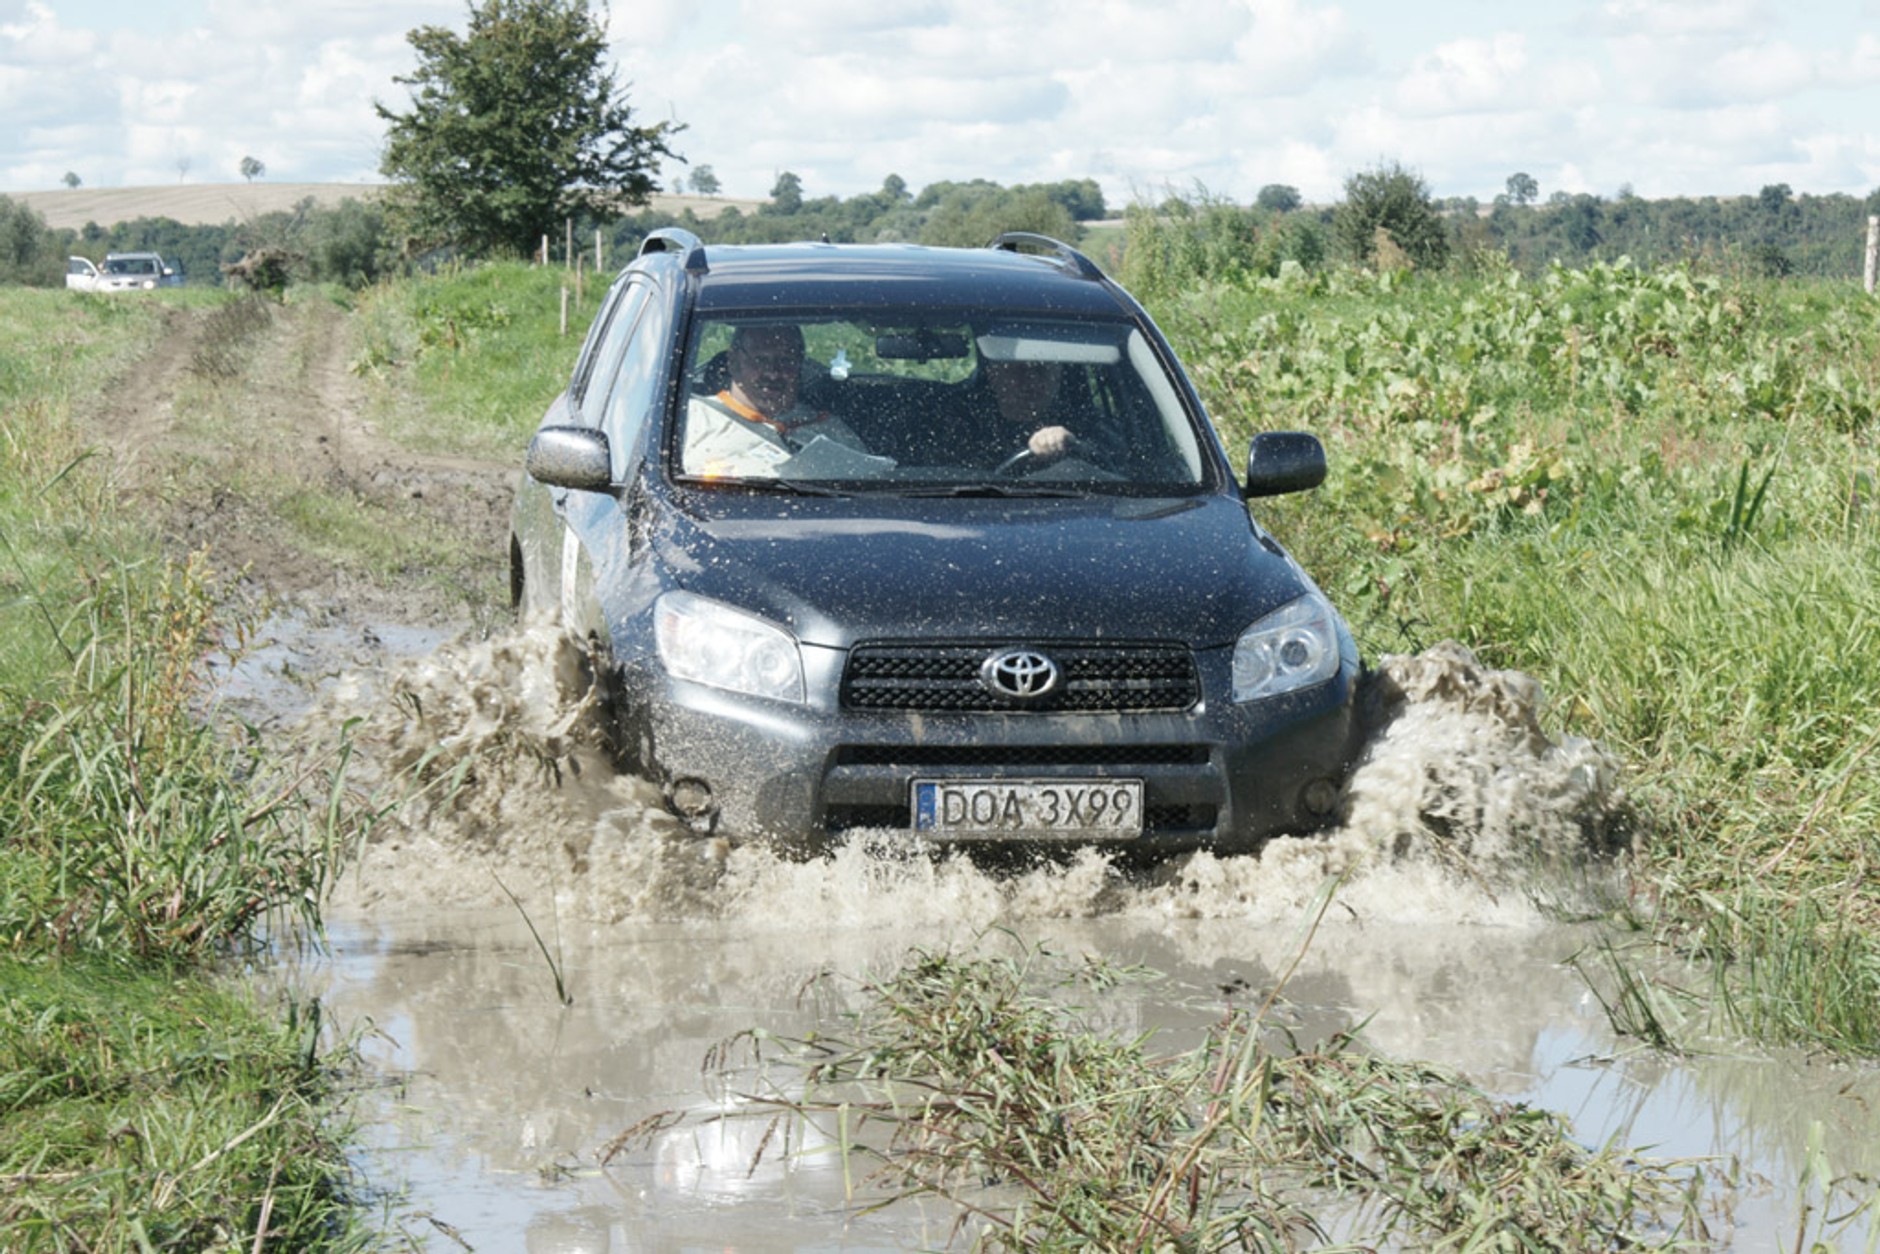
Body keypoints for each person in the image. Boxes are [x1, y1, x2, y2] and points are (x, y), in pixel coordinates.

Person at [682, 325, 870, 477]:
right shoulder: (692, 421)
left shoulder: (830, 430)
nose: (773, 373)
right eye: (761, 360)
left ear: (800, 365)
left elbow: (870, 484)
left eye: (786, 360)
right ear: (734, 362)